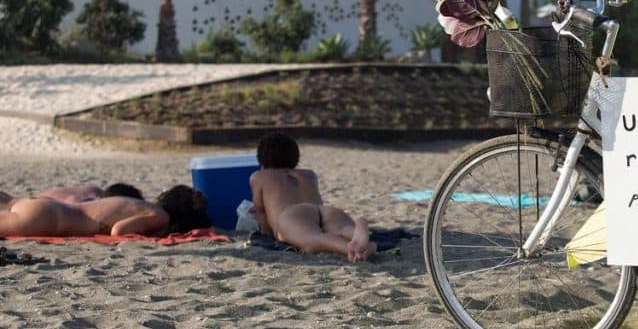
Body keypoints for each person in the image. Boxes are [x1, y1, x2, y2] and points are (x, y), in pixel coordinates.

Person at [250, 133, 374, 262]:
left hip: (292, 215)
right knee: (339, 230)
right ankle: (360, 238)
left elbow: (260, 211)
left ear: (262, 159)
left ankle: (348, 249)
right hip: (323, 211)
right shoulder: (309, 174)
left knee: (313, 239)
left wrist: (267, 233)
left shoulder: (259, 176)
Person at [0, 185, 210, 237]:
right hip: (51, 218)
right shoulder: (159, 216)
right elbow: (119, 230)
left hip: (52, 207)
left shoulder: (142, 204)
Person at [0, 182, 144, 205]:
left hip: (19, 200)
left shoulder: (94, 188)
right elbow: (72, 202)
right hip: (24, 205)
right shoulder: (89, 201)